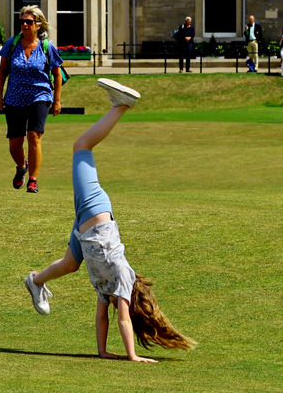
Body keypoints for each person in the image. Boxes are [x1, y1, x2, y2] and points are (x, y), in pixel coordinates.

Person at [23, 78, 196, 362]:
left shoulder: (107, 291)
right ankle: (121, 105)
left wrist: (103, 352)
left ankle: (36, 281)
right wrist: (133, 356)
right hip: (95, 211)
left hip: (85, 227)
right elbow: (122, 321)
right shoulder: (122, 281)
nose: (117, 307)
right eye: (123, 305)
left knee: (70, 263)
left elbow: (102, 319)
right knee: (82, 146)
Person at [0, 6, 64, 195]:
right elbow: (2, 71)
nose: (24, 25)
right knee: (15, 144)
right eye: (22, 22)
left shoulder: (47, 47)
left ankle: (33, 180)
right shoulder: (11, 44)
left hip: (39, 96)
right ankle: (22, 166)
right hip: (14, 98)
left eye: (29, 22)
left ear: (38, 25)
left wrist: (56, 101)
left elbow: (57, 75)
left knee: (34, 137)